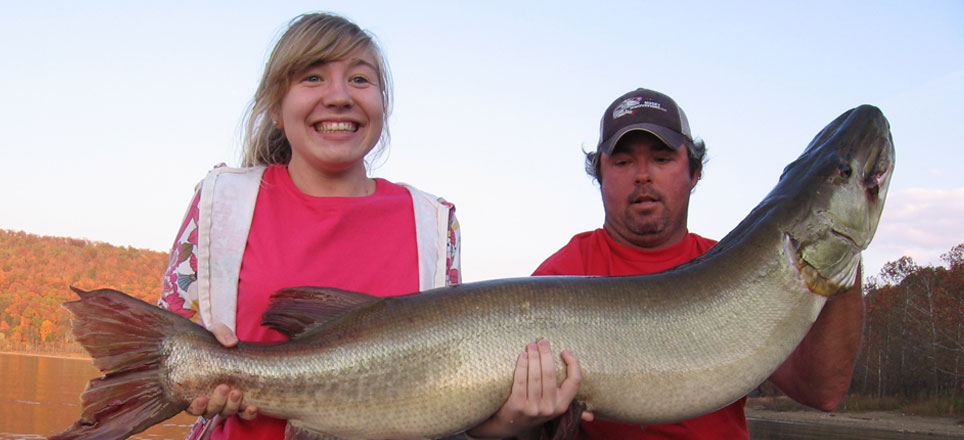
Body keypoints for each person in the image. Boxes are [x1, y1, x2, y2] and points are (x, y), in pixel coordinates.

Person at [471, 88, 864, 439]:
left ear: (693, 173)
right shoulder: (561, 275)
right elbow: (495, 419)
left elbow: (822, 392)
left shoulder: (739, 268)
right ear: (600, 177)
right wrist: (514, 424)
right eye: (623, 162)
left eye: (661, 158)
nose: (643, 175)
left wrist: (842, 254)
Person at [157, 13, 461, 440]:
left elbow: (446, 375)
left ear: (383, 104)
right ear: (275, 107)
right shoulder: (220, 200)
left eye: (359, 80)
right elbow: (165, 351)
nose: (339, 97)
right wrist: (198, 383)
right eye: (313, 77)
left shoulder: (433, 220)